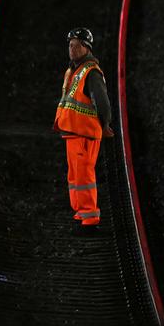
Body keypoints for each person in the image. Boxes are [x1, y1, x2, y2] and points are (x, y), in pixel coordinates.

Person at [53, 28, 114, 235]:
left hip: (85, 134)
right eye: (70, 44)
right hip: (73, 132)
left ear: (86, 47)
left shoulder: (91, 72)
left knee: (84, 176)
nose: (71, 48)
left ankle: (90, 219)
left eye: (76, 44)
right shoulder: (74, 70)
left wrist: (105, 124)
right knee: (76, 176)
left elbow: (102, 103)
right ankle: (81, 213)